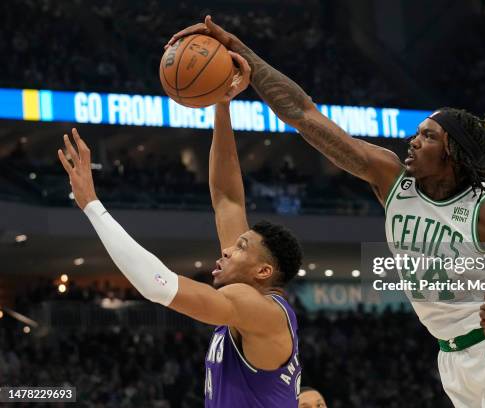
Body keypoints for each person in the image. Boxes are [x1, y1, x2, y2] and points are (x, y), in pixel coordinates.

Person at [167, 16, 485, 407]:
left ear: (451, 152)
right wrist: (242, 55)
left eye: (427, 136)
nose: (412, 141)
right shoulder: (390, 177)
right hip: (451, 357)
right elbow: (304, 115)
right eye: (416, 133)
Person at [57, 52, 303, 407]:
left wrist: (93, 206)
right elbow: (227, 198)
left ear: (263, 271)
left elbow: (157, 285)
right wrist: (222, 104)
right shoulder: (251, 298)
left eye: (241, 247)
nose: (228, 249)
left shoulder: (258, 308)